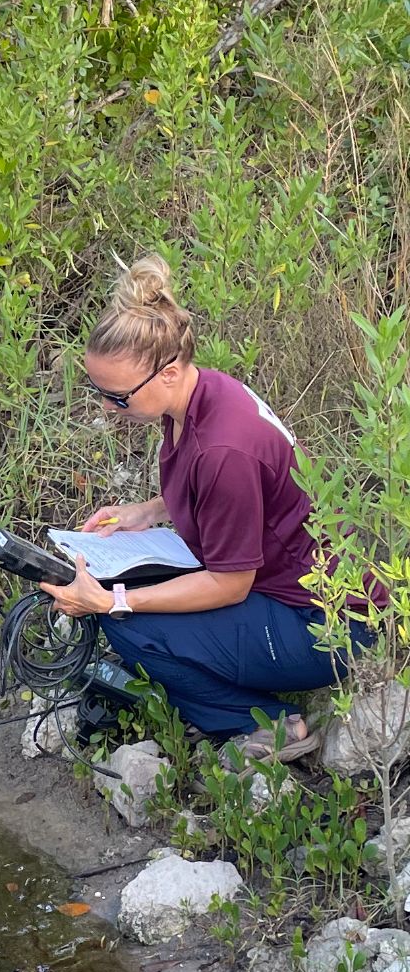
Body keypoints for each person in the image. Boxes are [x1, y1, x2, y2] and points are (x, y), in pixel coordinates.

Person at [39, 254, 379, 765]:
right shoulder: (204, 393)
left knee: (126, 624)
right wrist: (149, 511)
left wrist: (117, 603)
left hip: (328, 626)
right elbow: (235, 497)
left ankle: (262, 722)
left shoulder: (222, 449)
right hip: (298, 591)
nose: (106, 408)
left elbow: (230, 583)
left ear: (168, 372)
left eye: (117, 398)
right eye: (98, 392)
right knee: (130, 593)